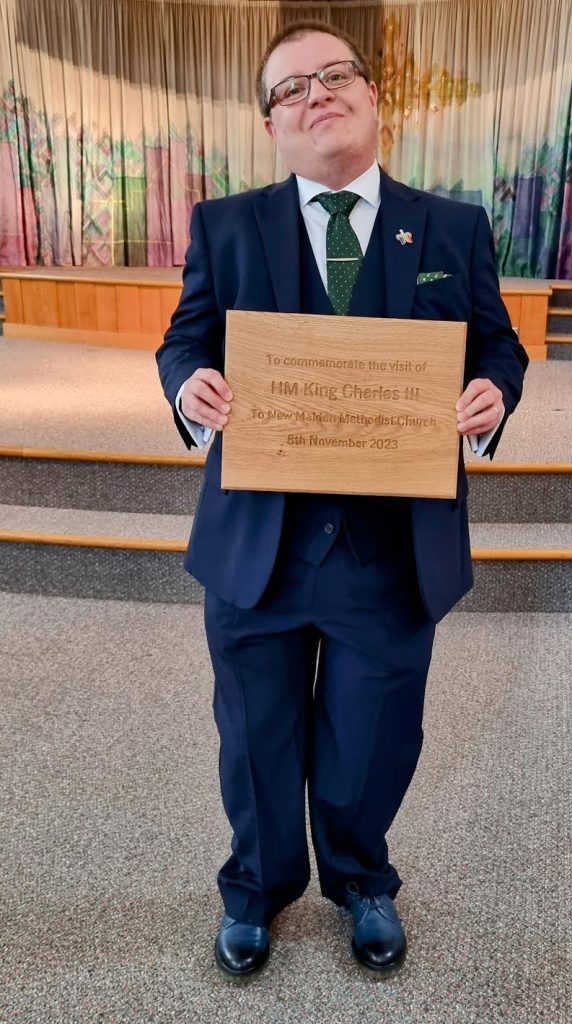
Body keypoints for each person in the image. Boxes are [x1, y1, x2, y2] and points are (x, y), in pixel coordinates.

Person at [157, 19, 528, 982]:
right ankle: (256, 889)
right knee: (256, 734)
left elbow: (497, 345)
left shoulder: (453, 229)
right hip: (259, 549)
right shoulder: (225, 225)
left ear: (372, 97)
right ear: (272, 126)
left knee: (373, 734)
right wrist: (190, 387)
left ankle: (363, 879)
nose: (315, 94)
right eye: (290, 89)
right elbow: (184, 340)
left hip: (391, 549)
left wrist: (492, 396)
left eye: (334, 76)